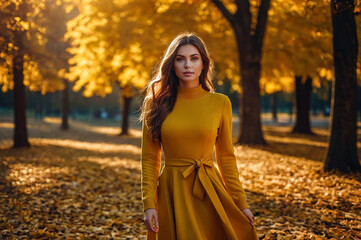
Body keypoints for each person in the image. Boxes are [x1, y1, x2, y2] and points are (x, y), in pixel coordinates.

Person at [138, 32, 259, 240]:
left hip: (208, 189)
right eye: (180, 59)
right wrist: (149, 204)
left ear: (203, 64)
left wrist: (241, 204)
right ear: (172, 65)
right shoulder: (156, 104)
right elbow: (149, 159)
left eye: (194, 58)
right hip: (171, 191)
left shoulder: (220, 103)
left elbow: (226, 158)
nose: (187, 65)